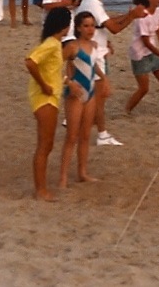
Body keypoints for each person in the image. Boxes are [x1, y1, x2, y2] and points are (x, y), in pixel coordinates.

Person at [74, 0, 146, 146]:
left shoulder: (90, 3)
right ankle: (102, 134)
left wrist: (127, 17)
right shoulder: (92, 3)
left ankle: (82, 126)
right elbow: (114, 27)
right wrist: (132, 16)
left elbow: (105, 23)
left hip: (94, 52)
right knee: (99, 96)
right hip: (94, 56)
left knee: (95, 96)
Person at [24, 7, 72, 202]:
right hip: (44, 99)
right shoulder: (52, 44)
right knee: (44, 145)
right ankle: (40, 190)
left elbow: (50, 70)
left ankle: (41, 188)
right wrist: (44, 85)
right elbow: (30, 62)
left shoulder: (54, 44)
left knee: (47, 144)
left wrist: (65, 82)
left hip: (50, 98)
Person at [58, 11, 103, 188]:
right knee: (72, 136)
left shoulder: (93, 45)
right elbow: (55, 67)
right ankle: (63, 176)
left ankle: (82, 172)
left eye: (92, 25)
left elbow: (93, 65)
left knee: (85, 135)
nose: (90, 29)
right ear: (78, 27)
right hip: (75, 94)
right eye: (86, 25)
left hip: (90, 92)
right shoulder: (72, 47)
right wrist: (68, 82)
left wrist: (104, 79)